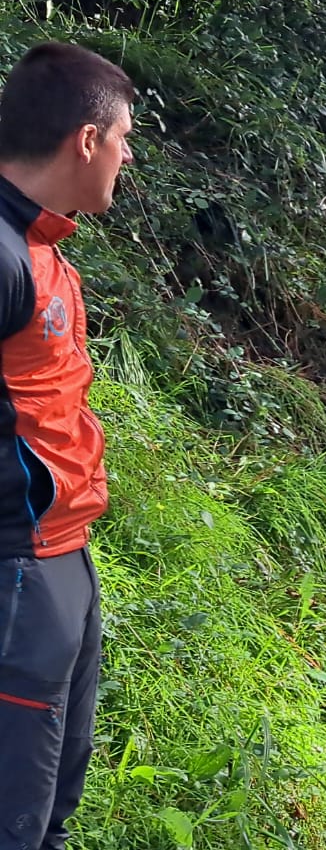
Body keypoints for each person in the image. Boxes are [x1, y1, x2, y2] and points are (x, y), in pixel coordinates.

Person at [0, 42, 135, 850]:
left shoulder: (43, 245)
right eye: (124, 141)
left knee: (49, 808)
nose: (125, 160)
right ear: (86, 140)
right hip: (17, 569)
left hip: (62, 556)